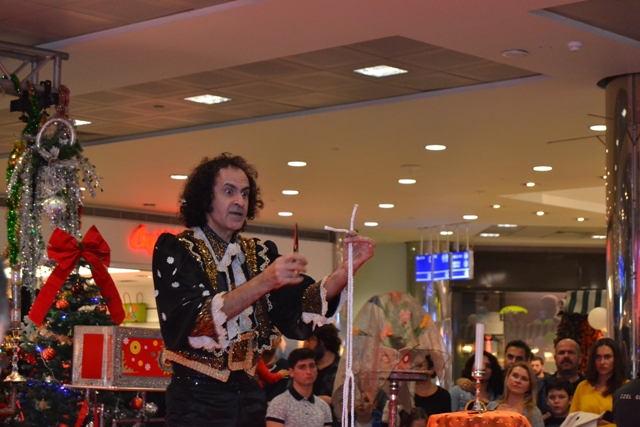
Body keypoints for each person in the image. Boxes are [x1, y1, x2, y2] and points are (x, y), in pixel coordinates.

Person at [153, 153, 376, 427]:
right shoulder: (178, 250)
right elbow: (194, 321)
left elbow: (300, 305)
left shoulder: (258, 255)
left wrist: (344, 271)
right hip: (195, 399)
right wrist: (265, 281)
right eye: (229, 191)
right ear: (206, 198)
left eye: (245, 193)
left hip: (249, 396)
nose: (240, 201)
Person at [266, 348, 333, 427]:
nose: (308, 372)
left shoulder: (323, 407)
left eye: (312, 366)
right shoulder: (279, 404)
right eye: (302, 367)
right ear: (291, 372)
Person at [570, 338, 627, 427]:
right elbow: (572, 421)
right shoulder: (583, 386)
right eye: (598, 357)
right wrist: (593, 423)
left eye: (607, 357)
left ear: (616, 359)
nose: (602, 362)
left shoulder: (626, 387)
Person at [456, 339, 531, 393]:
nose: (513, 361)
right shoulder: (497, 377)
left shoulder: (532, 382)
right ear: (504, 358)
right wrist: (461, 381)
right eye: (510, 357)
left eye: (519, 358)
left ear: (527, 361)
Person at [537, 338, 585, 418]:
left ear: (580, 359)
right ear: (555, 358)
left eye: (571, 352)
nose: (566, 356)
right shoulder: (541, 387)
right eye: (561, 353)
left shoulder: (589, 387)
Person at [487, 362, 544, 427]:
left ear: (529, 386)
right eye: (515, 376)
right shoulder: (492, 406)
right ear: (507, 378)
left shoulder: (534, 412)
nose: (518, 381)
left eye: (524, 379)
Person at [304, 324, 342, 407]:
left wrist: (333, 402)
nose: (305, 344)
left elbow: (353, 402)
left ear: (323, 342)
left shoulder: (343, 369)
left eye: (310, 340)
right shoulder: (303, 367)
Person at [261, 330, 290, 401]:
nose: (271, 338)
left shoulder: (286, 367)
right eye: (268, 333)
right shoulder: (249, 365)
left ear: (280, 341)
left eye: (276, 335)